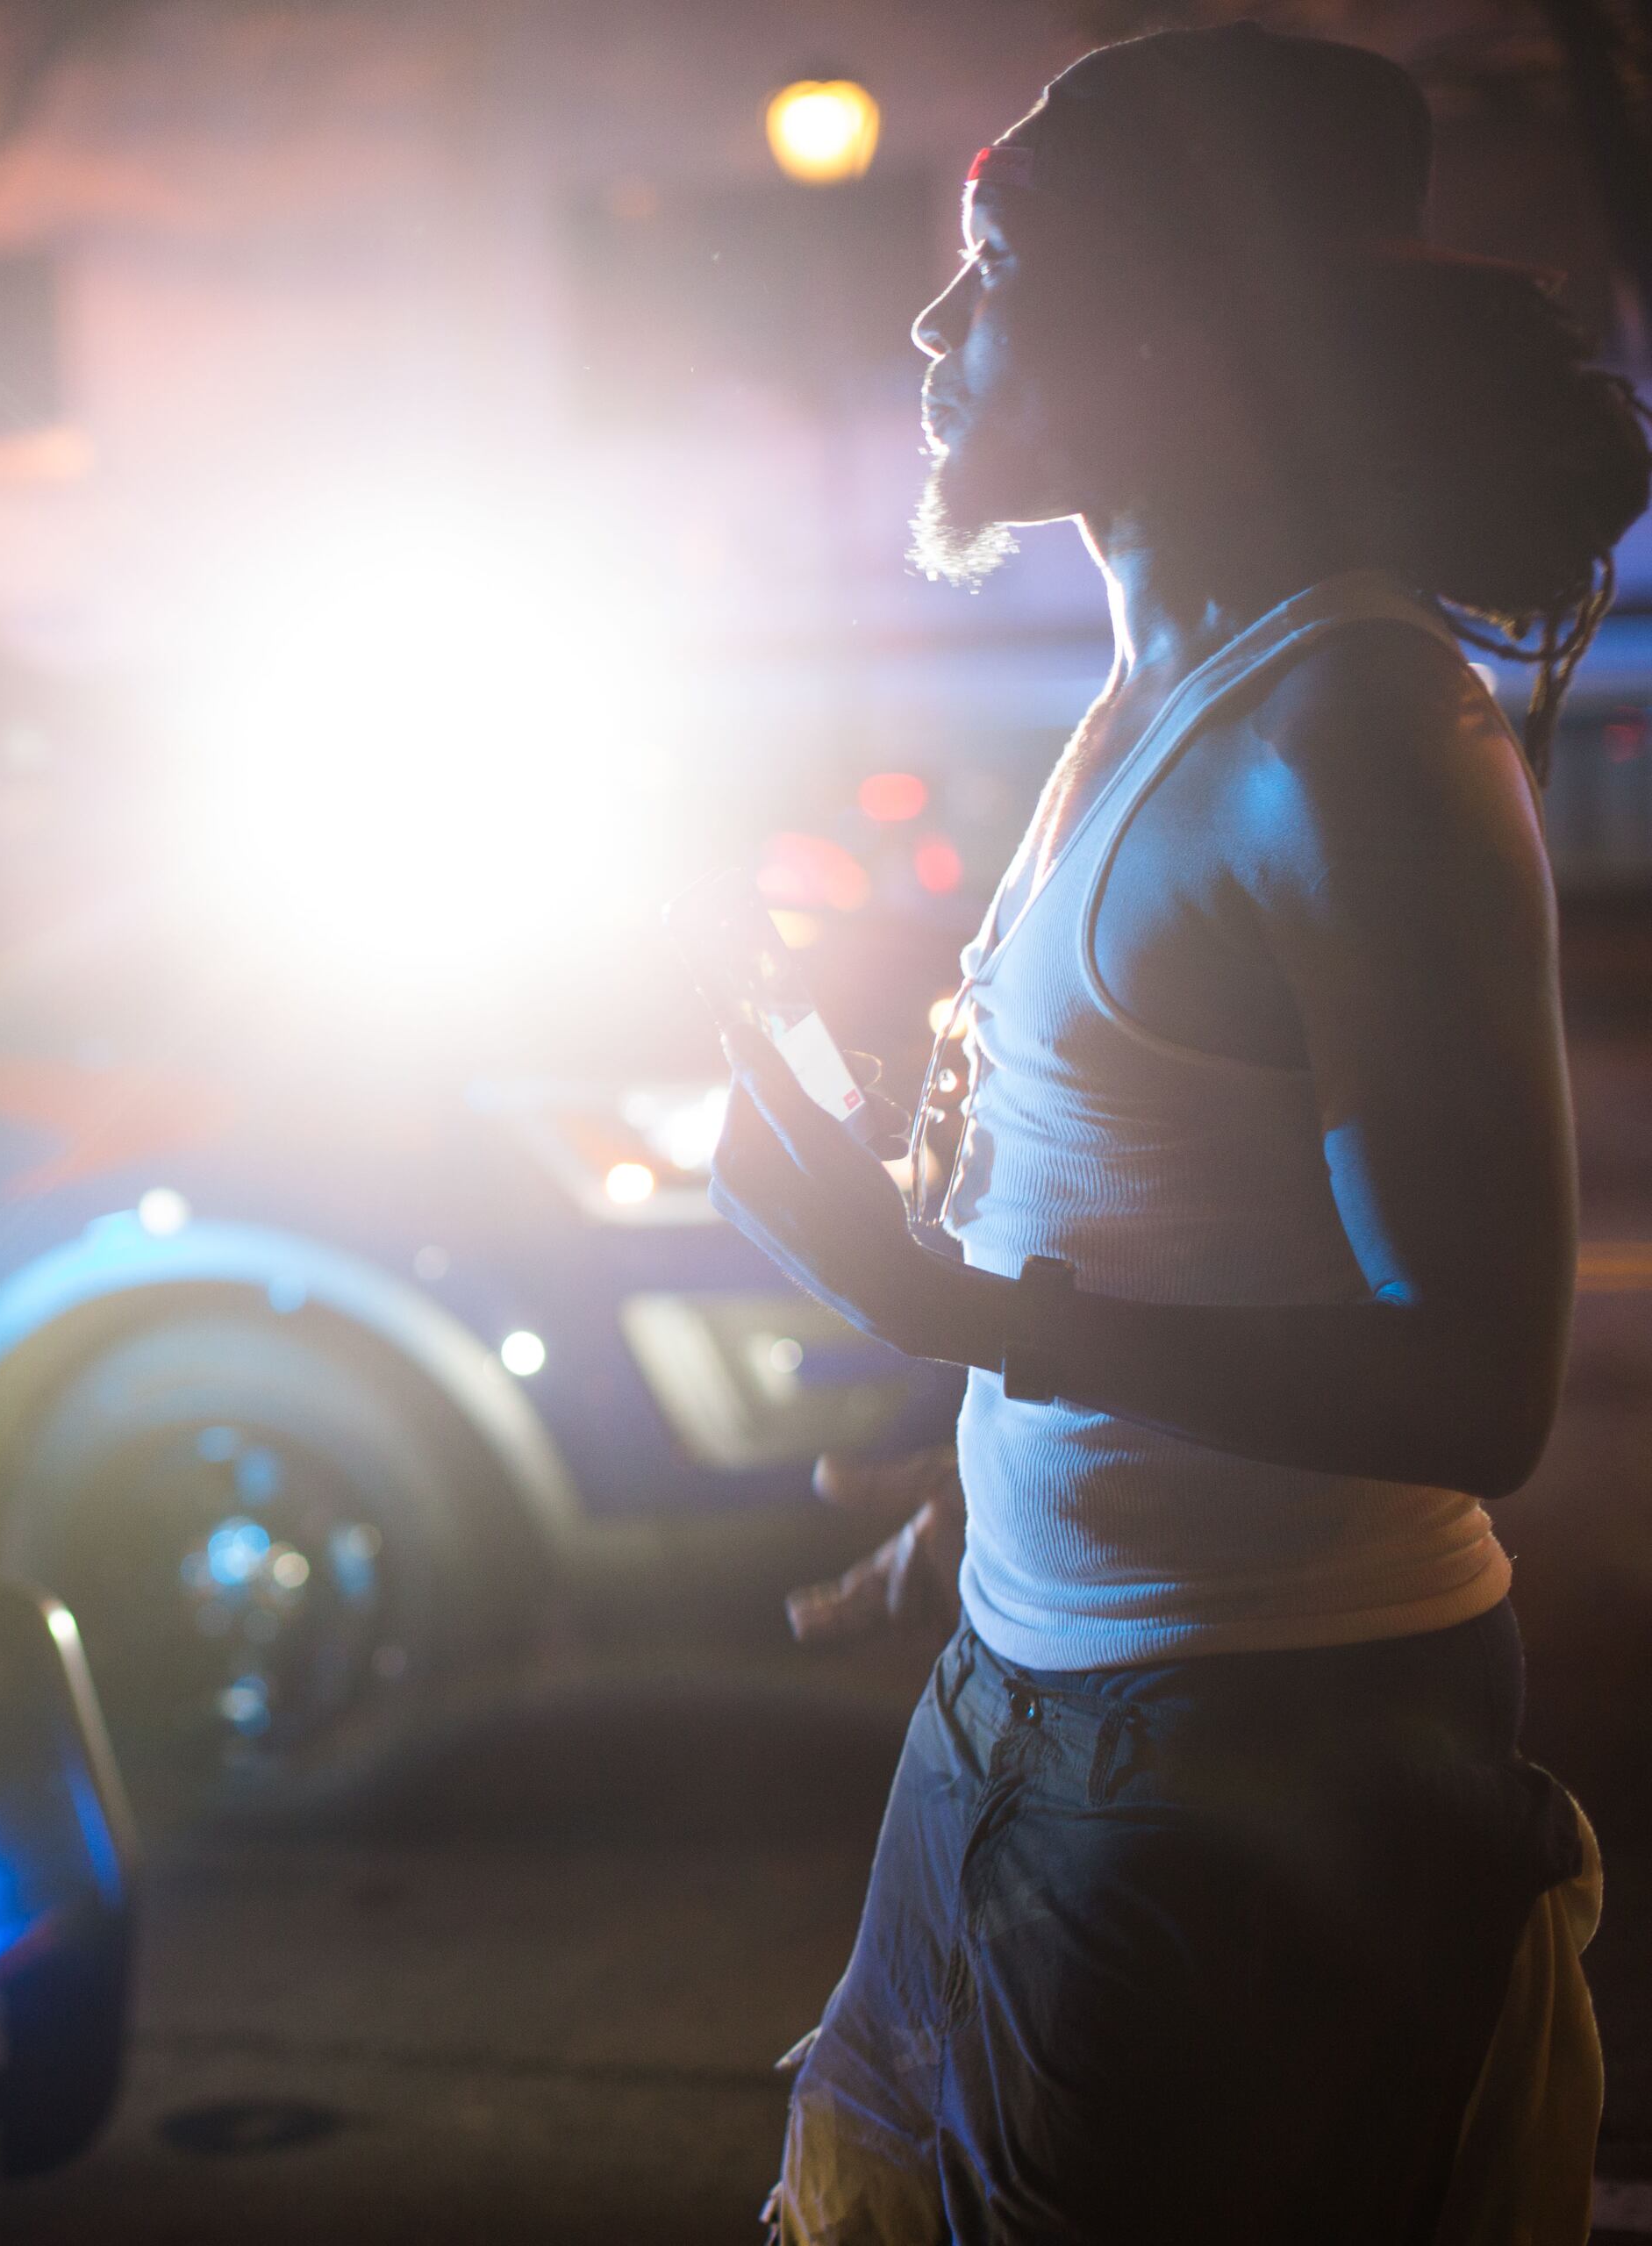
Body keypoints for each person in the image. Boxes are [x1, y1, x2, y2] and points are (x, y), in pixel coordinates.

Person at [709, 24, 1648, 2243]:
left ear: (1179, 326)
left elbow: (1476, 1383)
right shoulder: (1153, 681)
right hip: (1041, 1696)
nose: (936, 323)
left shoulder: (1348, 734)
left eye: (995, 259)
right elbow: (1178, 1227)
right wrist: (982, 1497)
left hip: (1259, 1772)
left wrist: (940, 1300)